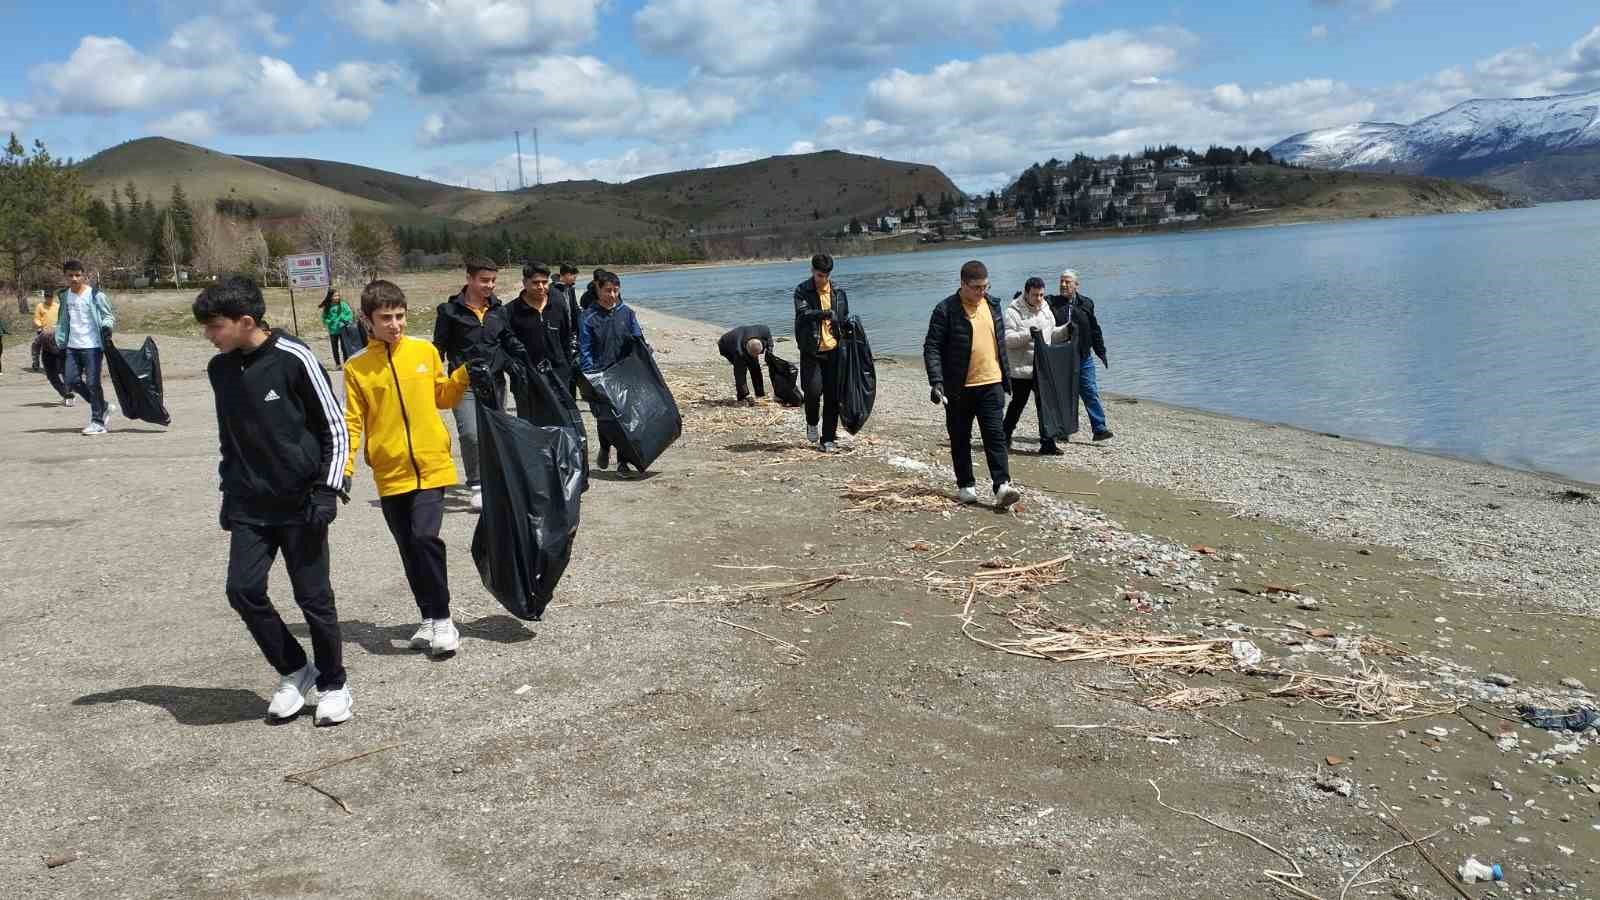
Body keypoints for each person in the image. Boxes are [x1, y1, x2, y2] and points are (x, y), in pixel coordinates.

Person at [194, 276, 351, 726]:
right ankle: (294, 670)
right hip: (249, 504)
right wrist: (228, 491)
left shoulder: (294, 357)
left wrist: (327, 488)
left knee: (313, 598)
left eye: (214, 326)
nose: (209, 335)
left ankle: (335, 683)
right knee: (242, 590)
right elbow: (231, 438)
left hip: (301, 502)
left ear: (246, 322)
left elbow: (334, 428)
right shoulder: (219, 370)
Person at [344, 279, 475, 657]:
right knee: (408, 548)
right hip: (390, 472)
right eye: (386, 318)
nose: (396, 324)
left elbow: (444, 397)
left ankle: (444, 620)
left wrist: (464, 372)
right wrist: (346, 468)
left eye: (400, 316)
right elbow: (353, 422)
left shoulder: (425, 351)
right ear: (368, 320)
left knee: (424, 539)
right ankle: (427, 617)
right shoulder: (357, 368)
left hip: (432, 465)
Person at [923, 260, 1021, 509]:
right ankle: (966, 485)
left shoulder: (993, 304)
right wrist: (936, 381)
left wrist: (1006, 377)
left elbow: (999, 343)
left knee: (995, 436)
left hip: (991, 383)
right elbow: (932, 347)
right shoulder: (945, 310)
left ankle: (1002, 486)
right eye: (976, 288)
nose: (981, 292)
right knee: (959, 437)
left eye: (985, 287)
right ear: (963, 284)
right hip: (958, 387)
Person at [431, 256, 526, 511]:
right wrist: (432, 377)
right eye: (484, 280)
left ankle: (494, 479)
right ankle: (476, 484)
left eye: (493, 280)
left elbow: (505, 338)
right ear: (469, 279)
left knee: (495, 432)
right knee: (471, 434)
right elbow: (437, 348)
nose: (490, 285)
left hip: (495, 382)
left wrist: (517, 355)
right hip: (463, 384)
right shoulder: (449, 312)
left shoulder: (498, 309)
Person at [578, 270, 644, 475]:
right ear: (597, 289)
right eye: (608, 291)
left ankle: (623, 463)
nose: (612, 295)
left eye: (616, 290)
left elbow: (639, 340)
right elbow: (585, 348)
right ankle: (605, 447)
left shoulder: (627, 313)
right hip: (601, 374)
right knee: (606, 419)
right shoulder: (588, 317)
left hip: (625, 373)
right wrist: (591, 375)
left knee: (626, 418)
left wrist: (644, 354)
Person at [1002, 277, 1073, 455]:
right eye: (1035, 295)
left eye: (1041, 294)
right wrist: (1028, 334)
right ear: (1026, 293)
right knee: (1018, 404)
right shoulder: (1012, 312)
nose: (1039, 298)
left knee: (1045, 406)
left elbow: (1052, 335)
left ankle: (1048, 443)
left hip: (1042, 367)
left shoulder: (1045, 308)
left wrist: (1067, 330)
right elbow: (1007, 340)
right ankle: (1004, 437)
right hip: (1021, 370)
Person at [792, 253, 849, 452]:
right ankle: (811, 421)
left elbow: (844, 318)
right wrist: (825, 314)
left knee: (833, 396)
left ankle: (828, 439)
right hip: (811, 350)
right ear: (812, 271)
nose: (822, 279)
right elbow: (803, 314)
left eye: (825, 275)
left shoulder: (839, 292)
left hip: (834, 351)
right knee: (813, 392)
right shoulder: (802, 290)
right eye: (818, 275)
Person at [1048, 269, 1112, 442]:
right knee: (1064, 394)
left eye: (1068, 282)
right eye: (1061, 281)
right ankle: (1063, 430)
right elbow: (1034, 303)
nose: (1063, 284)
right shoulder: (1051, 303)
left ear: (1076, 285)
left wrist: (1101, 352)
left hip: (1084, 356)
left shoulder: (1086, 303)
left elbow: (1094, 330)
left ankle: (1099, 428)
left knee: (1090, 390)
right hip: (1061, 358)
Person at [54, 260, 116, 435]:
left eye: (77, 275)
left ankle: (98, 422)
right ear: (65, 276)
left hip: (93, 347)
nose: (74, 278)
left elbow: (108, 315)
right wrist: (60, 340)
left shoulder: (95, 295)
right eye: (70, 275)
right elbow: (63, 320)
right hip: (72, 347)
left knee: (92, 383)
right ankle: (102, 406)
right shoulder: (65, 296)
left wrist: (106, 326)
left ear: (84, 275)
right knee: (71, 380)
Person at [507, 262, 578, 393]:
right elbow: (507, 349)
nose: (541, 287)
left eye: (544, 282)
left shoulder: (558, 305)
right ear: (524, 282)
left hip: (559, 377)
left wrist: (567, 370)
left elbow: (565, 341)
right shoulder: (510, 311)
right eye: (535, 283)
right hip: (528, 381)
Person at [716, 324, 772, 404]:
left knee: (755, 368)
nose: (756, 356)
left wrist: (770, 352)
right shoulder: (738, 350)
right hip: (724, 345)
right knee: (740, 370)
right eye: (753, 355)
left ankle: (760, 393)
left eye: (758, 354)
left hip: (743, 338)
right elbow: (739, 374)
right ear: (746, 349)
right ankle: (742, 395)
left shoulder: (764, 330)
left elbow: (770, 342)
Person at [32, 290, 70, 402]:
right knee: (53, 372)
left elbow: (63, 318)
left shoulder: (57, 306)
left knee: (62, 370)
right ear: (45, 297)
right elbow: (36, 319)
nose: (49, 298)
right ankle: (66, 393)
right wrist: (40, 326)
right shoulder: (40, 306)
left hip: (59, 335)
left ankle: (67, 393)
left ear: (53, 297)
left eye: (50, 296)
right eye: (47, 296)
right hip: (45, 332)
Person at [551, 263, 583, 395]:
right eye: (573, 275)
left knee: (573, 364)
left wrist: (580, 329)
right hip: (559, 334)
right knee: (562, 365)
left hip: (572, 334)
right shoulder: (552, 289)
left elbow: (574, 309)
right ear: (566, 275)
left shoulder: (570, 289)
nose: (575, 278)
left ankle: (571, 396)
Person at [319, 288, 356, 366]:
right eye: (335, 296)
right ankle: (338, 364)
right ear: (330, 297)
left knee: (344, 347)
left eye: (338, 295)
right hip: (333, 331)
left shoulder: (343, 305)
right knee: (335, 348)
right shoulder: (328, 307)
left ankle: (346, 362)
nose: (337, 297)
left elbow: (349, 315)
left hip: (343, 329)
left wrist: (344, 319)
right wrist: (330, 321)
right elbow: (324, 319)